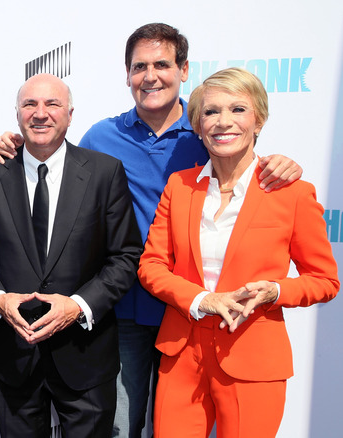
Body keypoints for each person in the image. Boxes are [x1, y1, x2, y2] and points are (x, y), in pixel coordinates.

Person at [0, 23, 303, 437]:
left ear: (184, 70)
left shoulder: (209, 130)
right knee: (121, 427)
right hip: (122, 310)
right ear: (127, 75)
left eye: (162, 64)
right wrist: (17, 146)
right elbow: (56, 163)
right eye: (140, 67)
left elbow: (246, 165)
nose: (150, 76)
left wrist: (282, 163)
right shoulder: (103, 137)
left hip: (196, 313)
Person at [138, 67, 339, 437]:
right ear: (197, 127)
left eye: (238, 109)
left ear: (258, 120)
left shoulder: (292, 193)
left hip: (253, 356)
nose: (223, 121)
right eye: (211, 112)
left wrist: (274, 290)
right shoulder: (179, 186)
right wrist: (203, 299)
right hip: (181, 355)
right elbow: (152, 265)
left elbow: (325, 281)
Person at [0, 73, 143, 437]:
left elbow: (125, 256)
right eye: (29, 104)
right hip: (14, 357)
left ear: (70, 114)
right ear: (17, 114)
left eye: (52, 104)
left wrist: (78, 305)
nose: (40, 113)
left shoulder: (104, 172)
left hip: (85, 355)